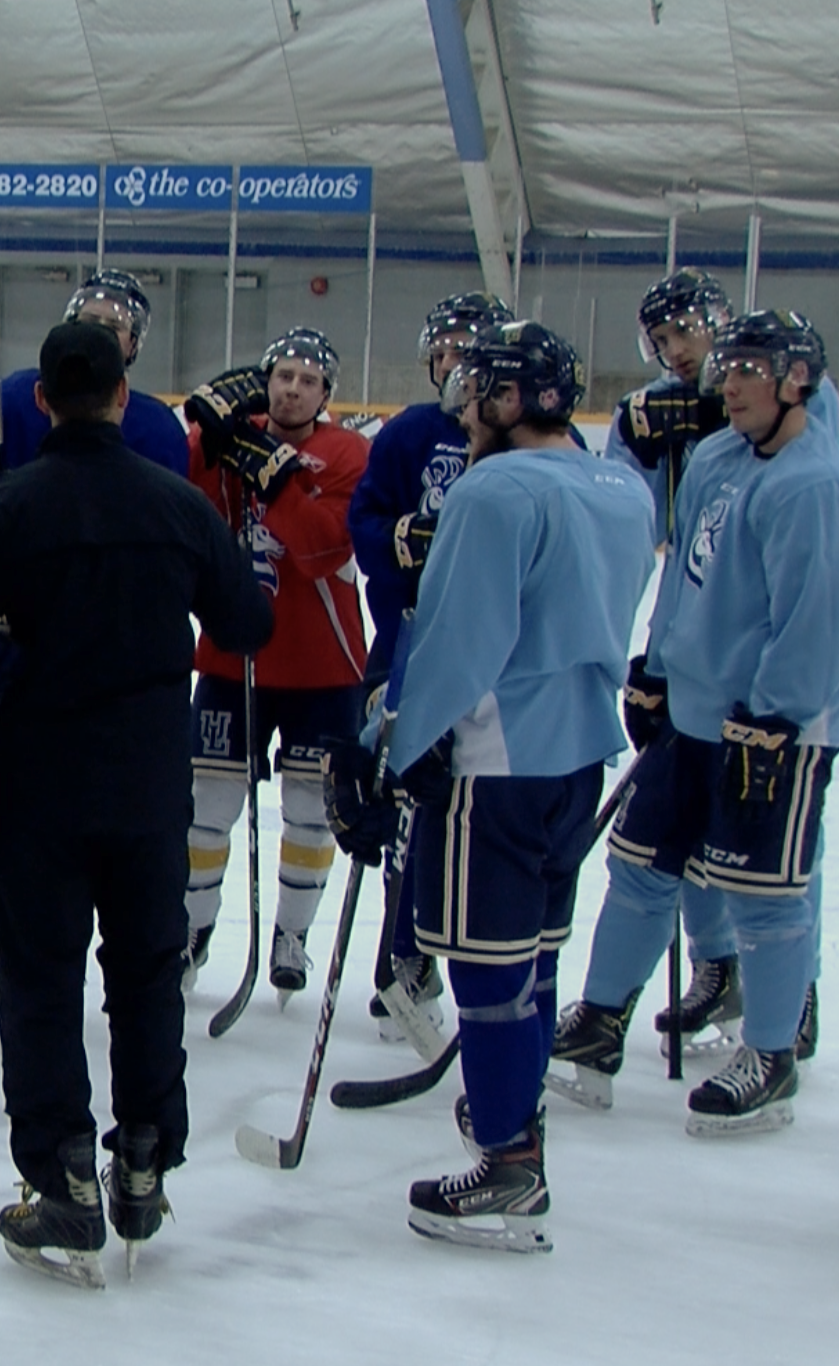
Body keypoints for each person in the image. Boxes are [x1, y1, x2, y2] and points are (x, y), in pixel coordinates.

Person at [0, 320, 272, 1288]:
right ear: (120, 394)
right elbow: (248, 621)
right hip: (151, 781)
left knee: (40, 981)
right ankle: (143, 1156)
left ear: (40, 401)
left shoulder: (6, 507)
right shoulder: (177, 502)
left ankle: (62, 1174)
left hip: (42, 779)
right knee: (147, 974)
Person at [327, 320, 652, 1254]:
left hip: (494, 761)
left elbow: (461, 639)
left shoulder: (494, 489)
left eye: (479, 392)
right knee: (536, 956)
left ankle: (510, 1164)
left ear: (513, 400)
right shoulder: (620, 486)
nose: (464, 408)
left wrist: (392, 747)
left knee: (488, 968)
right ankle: (516, 1121)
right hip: (576, 755)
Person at [547, 310, 839, 1137]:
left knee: (762, 895)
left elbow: (818, 624)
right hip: (690, 712)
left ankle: (770, 1052)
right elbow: (684, 576)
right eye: (727, 368)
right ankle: (602, 1021)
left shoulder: (818, 484)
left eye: (750, 370)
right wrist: (654, 667)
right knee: (643, 868)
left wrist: (774, 717)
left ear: (799, 379)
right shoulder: (722, 456)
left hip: (771, 729)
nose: (728, 384)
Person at [0, 269, 188, 1024]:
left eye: (117, 322)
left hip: (97, 660)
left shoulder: (159, 429)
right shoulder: (6, 400)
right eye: (89, 316)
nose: (102, 329)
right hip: (1, 645)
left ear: (136, 346)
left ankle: (115, 960)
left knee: (87, 810)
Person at [601, 268, 795, 1058]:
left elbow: (816, 432)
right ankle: (718, 967)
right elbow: (629, 519)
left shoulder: (778, 383)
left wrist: (718, 412)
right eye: (662, 341)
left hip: (759, 673)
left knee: (761, 852)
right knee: (676, 834)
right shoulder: (656, 407)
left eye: (686, 332)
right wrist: (648, 654)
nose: (676, 352)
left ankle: (792, 999)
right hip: (684, 648)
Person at [178, 327, 368, 998]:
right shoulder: (232, 440)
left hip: (324, 665)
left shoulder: (348, 452)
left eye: (307, 380)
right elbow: (189, 500)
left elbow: (323, 548)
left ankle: (292, 935)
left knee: (310, 808)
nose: (292, 388)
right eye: (282, 375)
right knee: (206, 806)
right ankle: (192, 933)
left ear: (325, 394)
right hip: (234, 654)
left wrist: (273, 471)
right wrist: (207, 434)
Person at [345, 291, 510, 1052]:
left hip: (502, 663)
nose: (455, 361)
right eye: (444, 347)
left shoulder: (530, 441)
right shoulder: (411, 432)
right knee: (404, 799)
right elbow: (367, 522)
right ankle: (407, 959)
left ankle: (485, 962)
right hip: (411, 639)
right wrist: (402, 539)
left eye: (470, 347)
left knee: (480, 808)